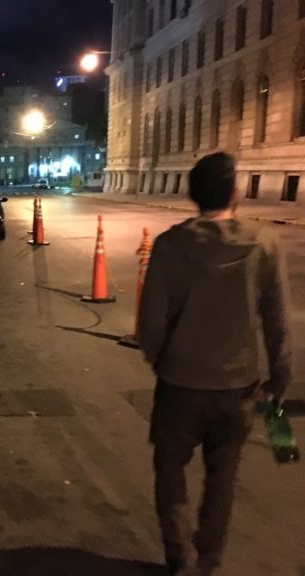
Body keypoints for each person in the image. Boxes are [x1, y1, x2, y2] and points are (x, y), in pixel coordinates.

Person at [138, 152, 292, 576]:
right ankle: (208, 556)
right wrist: (279, 380)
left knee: (170, 468)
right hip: (238, 385)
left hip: (180, 383)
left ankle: (179, 554)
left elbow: (150, 322)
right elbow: (277, 321)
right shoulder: (264, 243)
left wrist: (159, 359)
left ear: (191, 195)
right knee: (222, 477)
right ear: (236, 192)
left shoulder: (170, 245)